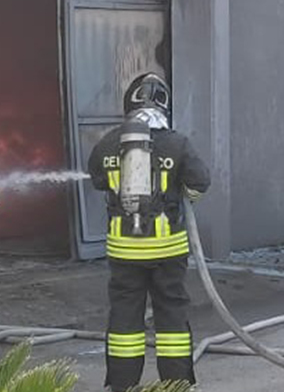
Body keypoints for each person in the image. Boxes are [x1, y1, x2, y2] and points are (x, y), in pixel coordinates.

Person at [87, 72, 211, 391]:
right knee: (171, 315)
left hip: (124, 252)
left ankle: (122, 384)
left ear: (129, 103)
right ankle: (176, 384)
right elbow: (200, 182)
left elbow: (98, 179)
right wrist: (182, 196)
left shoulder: (109, 142)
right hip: (168, 251)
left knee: (125, 319)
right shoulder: (177, 143)